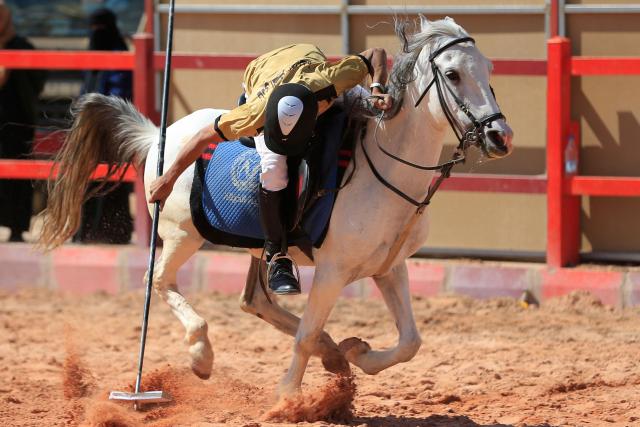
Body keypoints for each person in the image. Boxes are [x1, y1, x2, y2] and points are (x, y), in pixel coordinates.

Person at [149, 43, 393, 295]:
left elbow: (376, 53)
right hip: (261, 75)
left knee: (377, 109)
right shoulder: (251, 115)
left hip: (305, 65)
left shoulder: (329, 81)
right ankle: (277, 255)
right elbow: (201, 137)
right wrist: (168, 179)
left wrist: (377, 89)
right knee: (274, 169)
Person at [74, 8, 133, 244]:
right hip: (88, 129)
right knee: (87, 181)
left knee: (111, 180)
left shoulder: (119, 54)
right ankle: (85, 231)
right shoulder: (91, 54)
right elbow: (84, 90)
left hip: (111, 129)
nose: (96, 34)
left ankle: (114, 231)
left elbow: (120, 95)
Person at [0, 3, 45, 242]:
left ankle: (17, 227)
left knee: (17, 174)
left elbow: (37, 83)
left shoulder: (22, 47)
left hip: (16, 124)